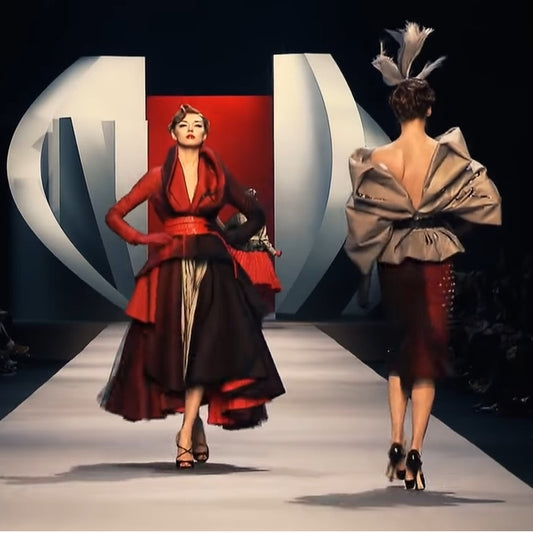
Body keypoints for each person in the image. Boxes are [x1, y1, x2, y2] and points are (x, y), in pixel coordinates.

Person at [344, 22, 502, 490]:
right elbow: (487, 199)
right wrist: (453, 229)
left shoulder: (376, 159)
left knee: (400, 353)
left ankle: (394, 440)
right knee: (428, 356)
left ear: (395, 109)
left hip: (395, 256)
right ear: (429, 108)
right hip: (436, 253)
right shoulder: (447, 154)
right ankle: (415, 450)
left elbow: (361, 214)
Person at [98, 104, 286, 469]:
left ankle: (184, 432)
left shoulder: (217, 177)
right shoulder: (157, 176)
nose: (190, 129)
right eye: (184, 124)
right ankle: (195, 423)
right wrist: (143, 238)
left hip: (212, 269)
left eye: (197, 125)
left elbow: (256, 214)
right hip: (169, 270)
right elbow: (114, 214)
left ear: (205, 134)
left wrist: (228, 238)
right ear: (172, 133)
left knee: (203, 347)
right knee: (176, 351)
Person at [222, 187, 282, 313]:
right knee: (244, 283)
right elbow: (226, 231)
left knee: (255, 284)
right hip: (244, 254)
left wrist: (273, 251)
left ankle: (251, 309)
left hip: (256, 255)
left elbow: (264, 238)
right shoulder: (238, 218)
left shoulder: (257, 219)